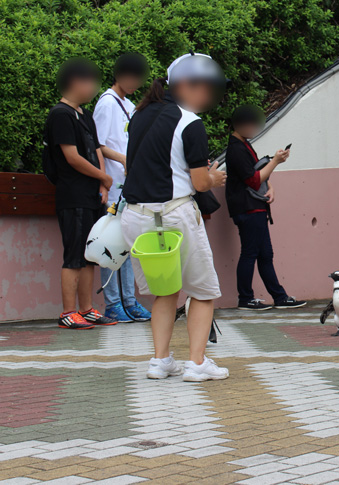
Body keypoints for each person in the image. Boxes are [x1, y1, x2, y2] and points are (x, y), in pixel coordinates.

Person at [120, 53, 228, 382]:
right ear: (188, 86)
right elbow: (198, 183)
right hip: (175, 215)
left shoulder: (139, 116)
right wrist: (214, 178)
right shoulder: (189, 122)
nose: (207, 98)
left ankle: (160, 361)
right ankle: (197, 363)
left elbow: (133, 166)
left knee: (164, 292)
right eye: (206, 89)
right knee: (204, 291)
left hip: (136, 217)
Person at [45, 59, 117, 330]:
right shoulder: (60, 114)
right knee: (74, 254)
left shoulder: (83, 114)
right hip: (72, 195)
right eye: (89, 82)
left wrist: (102, 183)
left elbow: (96, 149)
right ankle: (68, 312)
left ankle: (87, 309)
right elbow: (72, 157)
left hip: (91, 194)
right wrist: (102, 176)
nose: (93, 88)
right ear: (75, 83)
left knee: (91, 254)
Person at [225, 105, 307, 311]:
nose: (255, 129)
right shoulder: (236, 149)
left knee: (264, 254)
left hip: (255, 207)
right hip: (248, 208)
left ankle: (279, 297)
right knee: (250, 253)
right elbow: (253, 180)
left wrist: (269, 185)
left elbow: (258, 174)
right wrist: (276, 162)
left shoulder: (243, 145)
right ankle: (245, 298)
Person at [93, 53, 151, 323]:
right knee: (111, 245)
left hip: (129, 187)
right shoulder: (106, 103)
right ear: (120, 75)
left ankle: (129, 301)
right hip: (114, 186)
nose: (136, 84)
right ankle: (113, 304)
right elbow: (99, 145)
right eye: (132, 78)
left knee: (127, 246)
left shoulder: (127, 104)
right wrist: (123, 161)